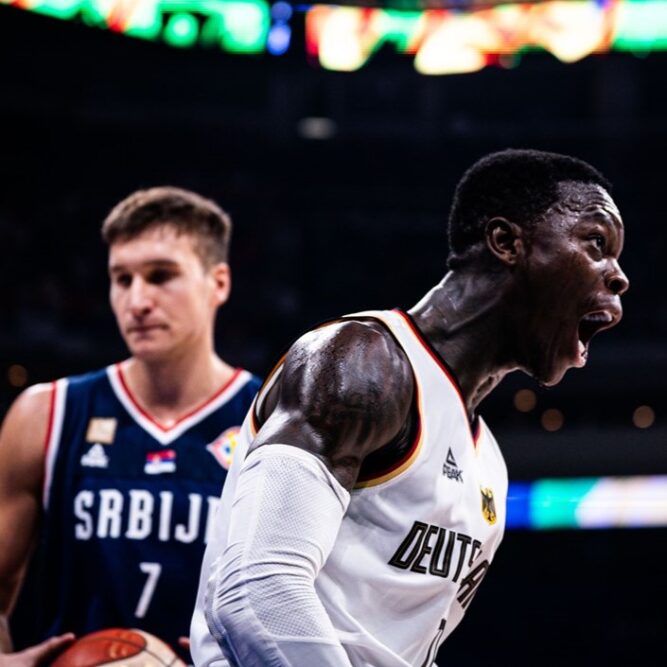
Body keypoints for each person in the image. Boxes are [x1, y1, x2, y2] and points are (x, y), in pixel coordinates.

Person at [190, 149, 629, 667]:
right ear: (507, 243)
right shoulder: (358, 364)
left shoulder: (487, 459)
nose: (619, 276)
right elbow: (256, 589)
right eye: (597, 244)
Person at [0, 187, 261, 665]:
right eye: (121, 279)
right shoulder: (47, 412)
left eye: (161, 276)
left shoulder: (268, 421)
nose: (137, 300)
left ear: (218, 282)